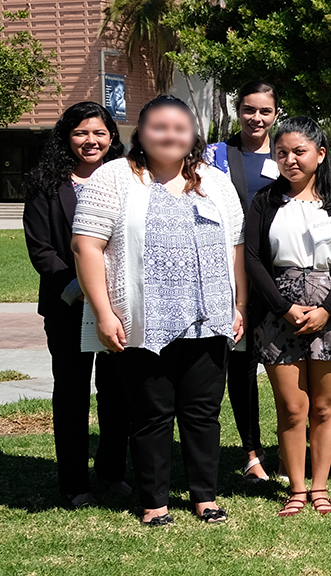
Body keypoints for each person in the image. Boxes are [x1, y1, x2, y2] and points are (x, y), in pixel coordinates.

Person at [73, 95, 243, 526]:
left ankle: (205, 496)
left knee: (203, 413)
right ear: (141, 134)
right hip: (143, 321)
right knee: (151, 415)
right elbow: (86, 247)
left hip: (208, 319)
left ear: (193, 135)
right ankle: (155, 502)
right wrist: (105, 313)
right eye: (159, 127)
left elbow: (236, 247)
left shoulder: (215, 180)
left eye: (180, 127)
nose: (170, 135)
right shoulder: (113, 178)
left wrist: (238, 304)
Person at [244, 117, 331, 517]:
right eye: (282, 153)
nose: (290, 160)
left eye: (299, 151)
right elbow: (254, 259)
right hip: (281, 311)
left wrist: (328, 309)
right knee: (293, 409)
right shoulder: (264, 201)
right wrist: (284, 306)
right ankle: (296, 488)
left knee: (325, 408)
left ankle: (320, 487)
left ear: (320, 154)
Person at [23, 101, 130, 508]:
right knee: (71, 393)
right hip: (68, 306)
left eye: (100, 133)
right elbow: (41, 250)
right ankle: (73, 483)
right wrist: (81, 288)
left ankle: (112, 473)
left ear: (111, 137)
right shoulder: (45, 184)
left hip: (118, 305)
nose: (92, 141)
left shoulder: (127, 179)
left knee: (117, 391)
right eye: (82, 133)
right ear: (67, 137)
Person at [205, 80, 280, 484]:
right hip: (231, 275)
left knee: (289, 365)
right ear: (239, 111)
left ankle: (289, 449)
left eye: (264, 111)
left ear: (276, 114)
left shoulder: (288, 151)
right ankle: (251, 452)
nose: (257, 118)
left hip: (280, 275)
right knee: (240, 366)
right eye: (249, 109)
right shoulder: (216, 154)